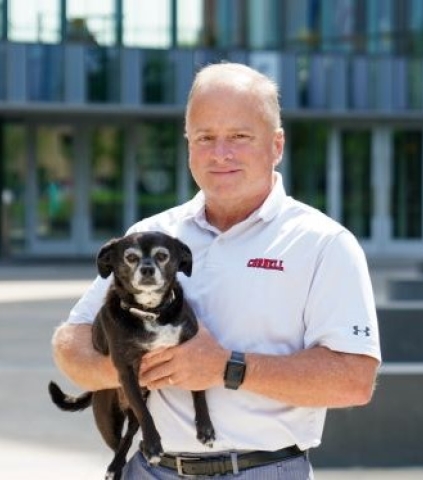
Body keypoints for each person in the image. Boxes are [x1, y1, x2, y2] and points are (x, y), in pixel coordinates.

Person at [52, 62, 381, 479]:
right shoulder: (151, 236)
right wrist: (125, 367)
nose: (220, 154)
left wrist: (227, 367)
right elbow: (72, 339)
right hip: (152, 470)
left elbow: (354, 380)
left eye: (240, 137)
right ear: (188, 145)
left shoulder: (323, 244)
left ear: (276, 146)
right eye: (205, 137)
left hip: (263, 469)